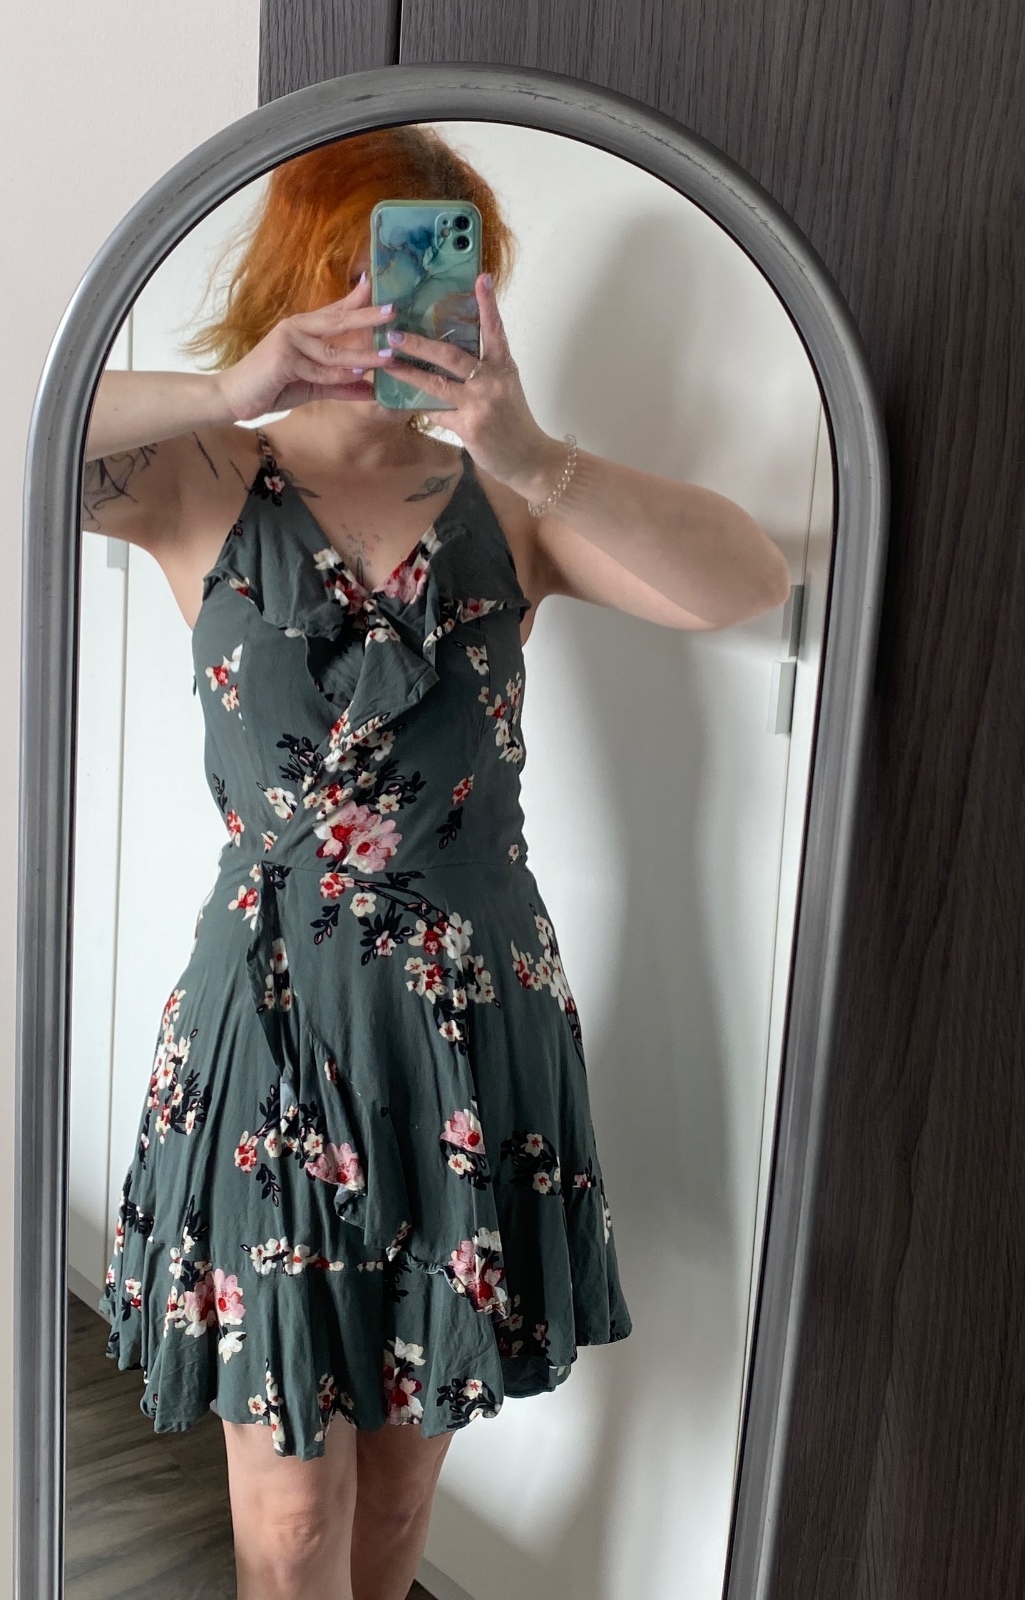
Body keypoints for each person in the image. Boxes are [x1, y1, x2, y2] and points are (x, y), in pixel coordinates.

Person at [82, 125, 789, 1600]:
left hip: (468, 1028)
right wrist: (230, 385)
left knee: (401, 1494)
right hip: (269, 1027)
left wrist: (535, 454)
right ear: (296, 274)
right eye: (350, 270)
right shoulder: (201, 477)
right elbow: (9, 431)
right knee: (290, 1515)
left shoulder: (512, 504)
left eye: (420, 273)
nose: (382, 306)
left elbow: (749, 580)